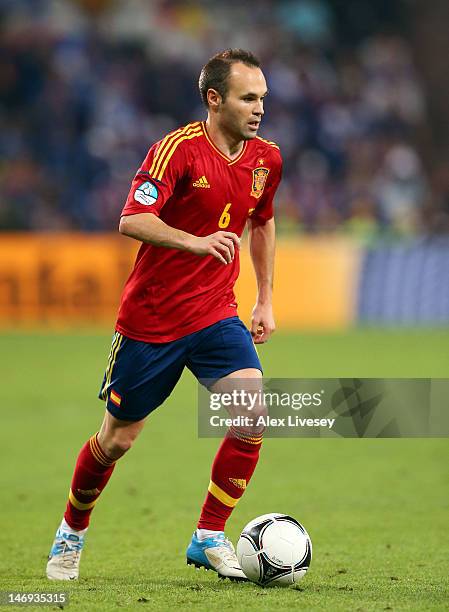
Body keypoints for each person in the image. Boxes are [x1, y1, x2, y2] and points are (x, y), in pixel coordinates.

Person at [46, 48, 282, 581]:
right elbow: (132, 218)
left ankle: (208, 536)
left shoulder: (267, 159)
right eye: (248, 98)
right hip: (152, 320)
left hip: (216, 313)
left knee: (252, 415)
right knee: (116, 440)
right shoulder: (175, 150)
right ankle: (72, 530)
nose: (259, 108)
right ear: (214, 99)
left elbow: (262, 222)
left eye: (263, 98)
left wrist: (264, 296)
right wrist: (196, 243)